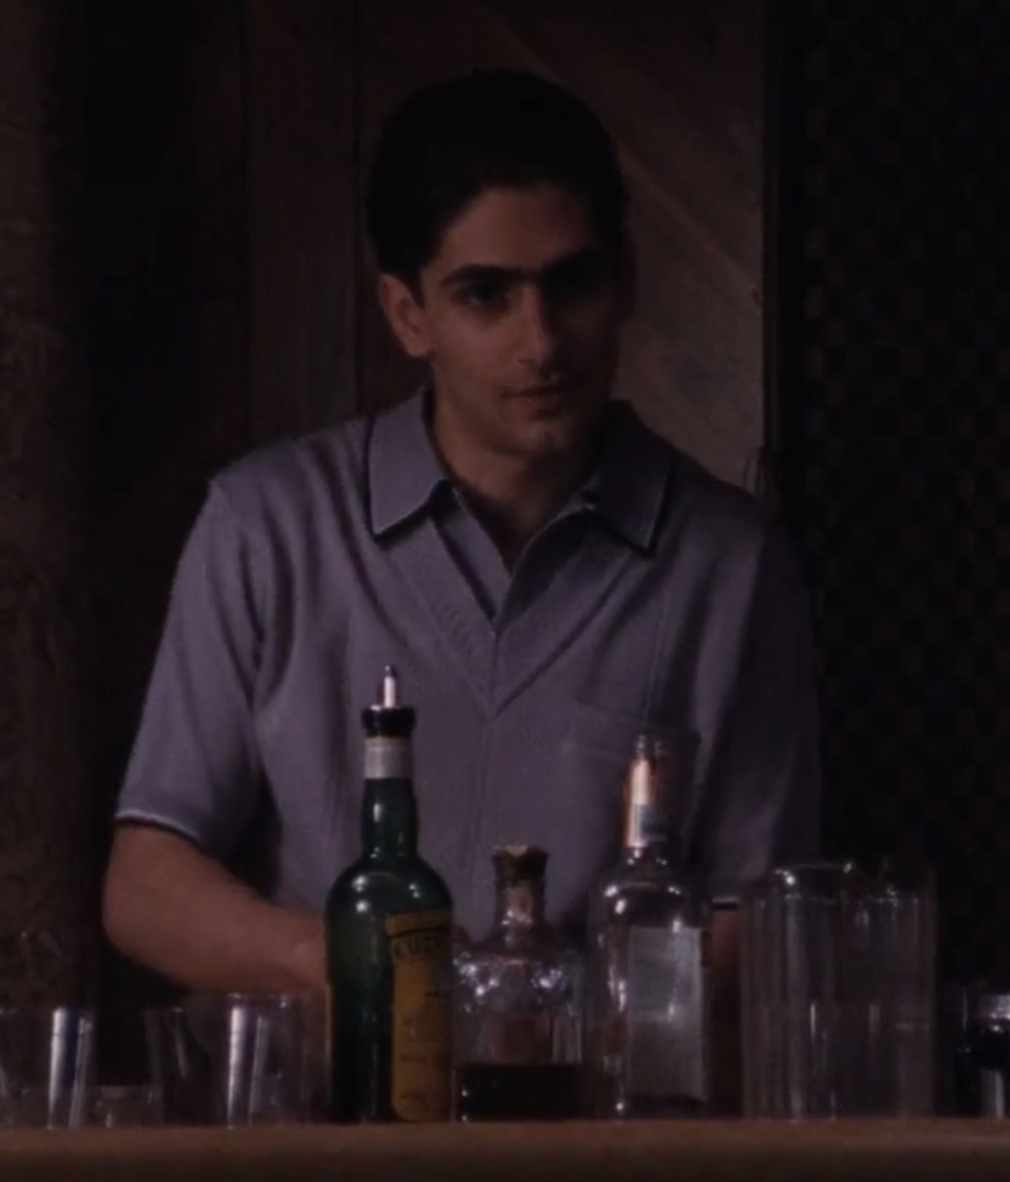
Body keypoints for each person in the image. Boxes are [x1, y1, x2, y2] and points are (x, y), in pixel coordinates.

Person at [103, 70, 820, 1020]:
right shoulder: (267, 527)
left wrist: (555, 1032)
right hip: (324, 1097)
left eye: (572, 283)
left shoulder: (732, 566)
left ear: (627, 280)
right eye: (486, 295)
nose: (542, 343)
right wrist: (348, 962)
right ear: (409, 315)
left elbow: (757, 922)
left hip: (598, 1103)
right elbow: (146, 886)